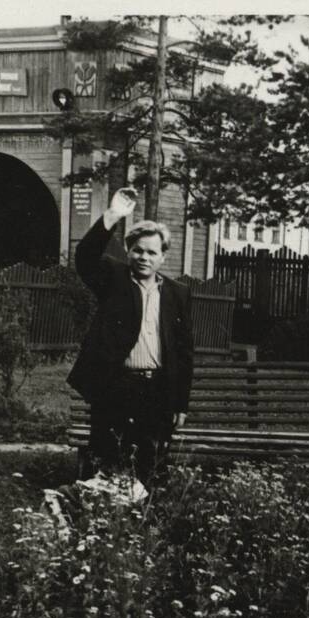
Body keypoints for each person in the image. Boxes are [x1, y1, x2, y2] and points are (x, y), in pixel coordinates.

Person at [68, 187, 194, 486]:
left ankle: (146, 520)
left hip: (157, 390)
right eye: (138, 250)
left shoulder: (178, 293)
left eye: (152, 252)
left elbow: (183, 351)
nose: (144, 257)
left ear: (164, 256)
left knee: (151, 465)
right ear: (128, 251)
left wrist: (181, 403)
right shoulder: (114, 280)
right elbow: (85, 258)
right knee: (108, 458)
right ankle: (103, 518)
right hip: (116, 386)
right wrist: (112, 215)